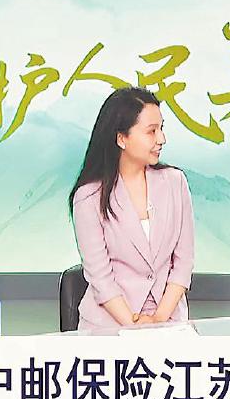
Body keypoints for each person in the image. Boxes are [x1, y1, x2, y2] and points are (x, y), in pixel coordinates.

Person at [69, 87, 195, 330]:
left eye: (161, 128)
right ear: (121, 138)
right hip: (109, 325)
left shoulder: (175, 182)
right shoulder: (89, 197)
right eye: (151, 131)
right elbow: (100, 277)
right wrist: (136, 327)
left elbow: (183, 263)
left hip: (169, 321)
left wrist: (159, 320)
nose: (161, 139)